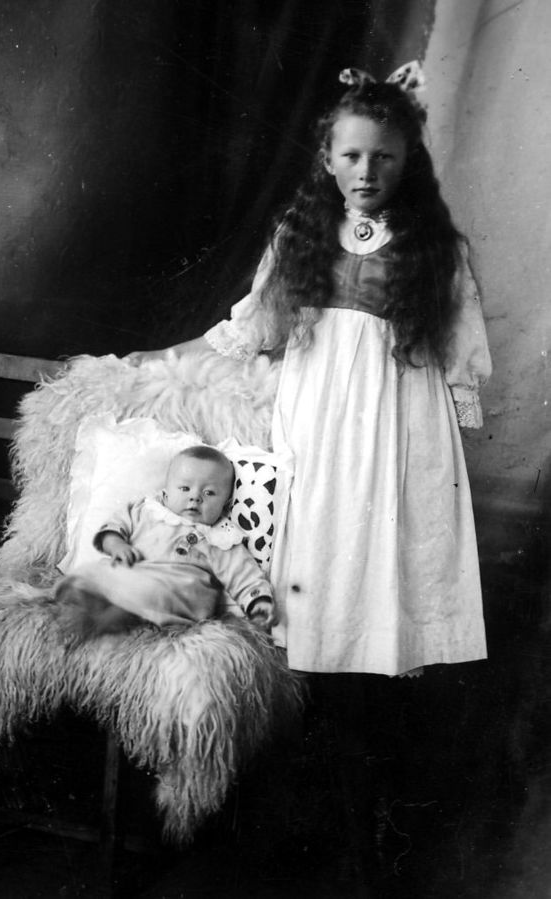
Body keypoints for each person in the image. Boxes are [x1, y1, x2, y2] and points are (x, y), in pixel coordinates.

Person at [126, 61, 492, 677]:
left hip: (397, 412)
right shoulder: (301, 237)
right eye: (352, 156)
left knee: (388, 520)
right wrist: (163, 357)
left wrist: (452, 420)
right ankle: (313, 651)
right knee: (318, 521)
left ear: (408, 162)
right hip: (318, 409)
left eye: (384, 157)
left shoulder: (434, 248)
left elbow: (461, 342)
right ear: (327, 160)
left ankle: (387, 652)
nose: (366, 171)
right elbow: (249, 328)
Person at [55, 445, 275, 639]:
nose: (195, 497)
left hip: (180, 591)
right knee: (92, 572)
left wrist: (258, 601)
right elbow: (114, 526)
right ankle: (90, 603)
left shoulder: (221, 538)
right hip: (133, 574)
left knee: (150, 591)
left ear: (225, 503)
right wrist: (116, 545)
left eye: (209, 493)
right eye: (185, 488)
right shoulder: (146, 510)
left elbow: (243, 574)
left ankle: (109, 617)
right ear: (167, 491)